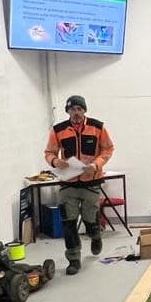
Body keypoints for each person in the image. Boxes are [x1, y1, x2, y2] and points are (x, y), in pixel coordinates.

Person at [44, 94, 114, 275]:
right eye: (72, 109)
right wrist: (54, 162)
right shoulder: (58, 130)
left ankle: (95, 234)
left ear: (84, 110)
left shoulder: (98, 127)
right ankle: (73, 259)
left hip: (91, 182)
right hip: (68, 183)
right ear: (67, 111)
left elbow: (108, 148)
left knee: (91, 218)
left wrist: (96, 164)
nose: (76, 113)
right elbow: (49, 152)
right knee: (68, 222)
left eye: (79, 109)